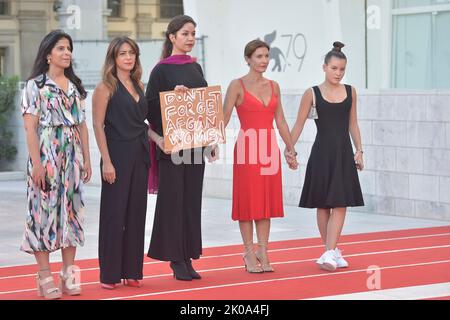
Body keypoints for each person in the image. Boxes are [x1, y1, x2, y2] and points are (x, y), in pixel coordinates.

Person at [21, 30, 91, 299]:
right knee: (43, 213)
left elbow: (82, 126)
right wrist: (37, 164)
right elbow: (30, 129)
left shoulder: (75, 87)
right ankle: (44, 275)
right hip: (47, 155)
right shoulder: (35, 86)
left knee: (71, 212)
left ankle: (69, 271)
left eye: (69, 48)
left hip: (72, 157)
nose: (67, 53)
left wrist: (85, 159)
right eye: (61, 48)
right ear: (48, 54)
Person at [145, 15, 215, 281]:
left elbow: (204, 107)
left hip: (196, 146)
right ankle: (176, 260)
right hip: (173, 146)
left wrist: (210, 142)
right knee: (173, 202)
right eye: (185, 34)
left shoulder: (196, 68)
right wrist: (173, 97)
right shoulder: (160, 70)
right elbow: (150, 107)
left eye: (193, 34)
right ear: (172, 37)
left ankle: (187, 256)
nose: (190, 38)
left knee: (190, 202)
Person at [222, 39, 298, 273]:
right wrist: (211, 143)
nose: (264, 61)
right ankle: (247, 253)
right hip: (246, 150)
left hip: (269, 150)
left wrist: (290, 148)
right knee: (248, 203)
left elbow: (281, 121)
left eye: (266, 56)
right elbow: (222, 119)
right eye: (259, 56)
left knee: (265, 204)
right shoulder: (236, 85)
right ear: (248, 59)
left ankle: (263, 251)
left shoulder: (274, 86)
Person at [92, 37, 161, 289]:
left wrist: (159, 140)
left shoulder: (138, 84)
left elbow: (141, 123)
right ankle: (109, 274)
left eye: (132, 53)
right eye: (123, 53)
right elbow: (98, 126)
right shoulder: (104, 88)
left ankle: (132, 271)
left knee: (136, 214)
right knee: (113, 215)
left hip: (140, 155)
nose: (128, 58)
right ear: (114, 58)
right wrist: (107, 162)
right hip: (116, 155)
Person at [290, 42, 364, 271]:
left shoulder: (351, 91)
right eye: (334, 68)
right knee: (323, 205)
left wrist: (359, 150)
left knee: (340, 204)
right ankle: (330, 251)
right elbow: (299, 124)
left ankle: (330, 252)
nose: (338, 73)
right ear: (324, 67)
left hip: (343, 154)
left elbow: (353, 123)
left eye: (342, 69)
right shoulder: (311, 92)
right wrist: (289, 149)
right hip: (321, 154)